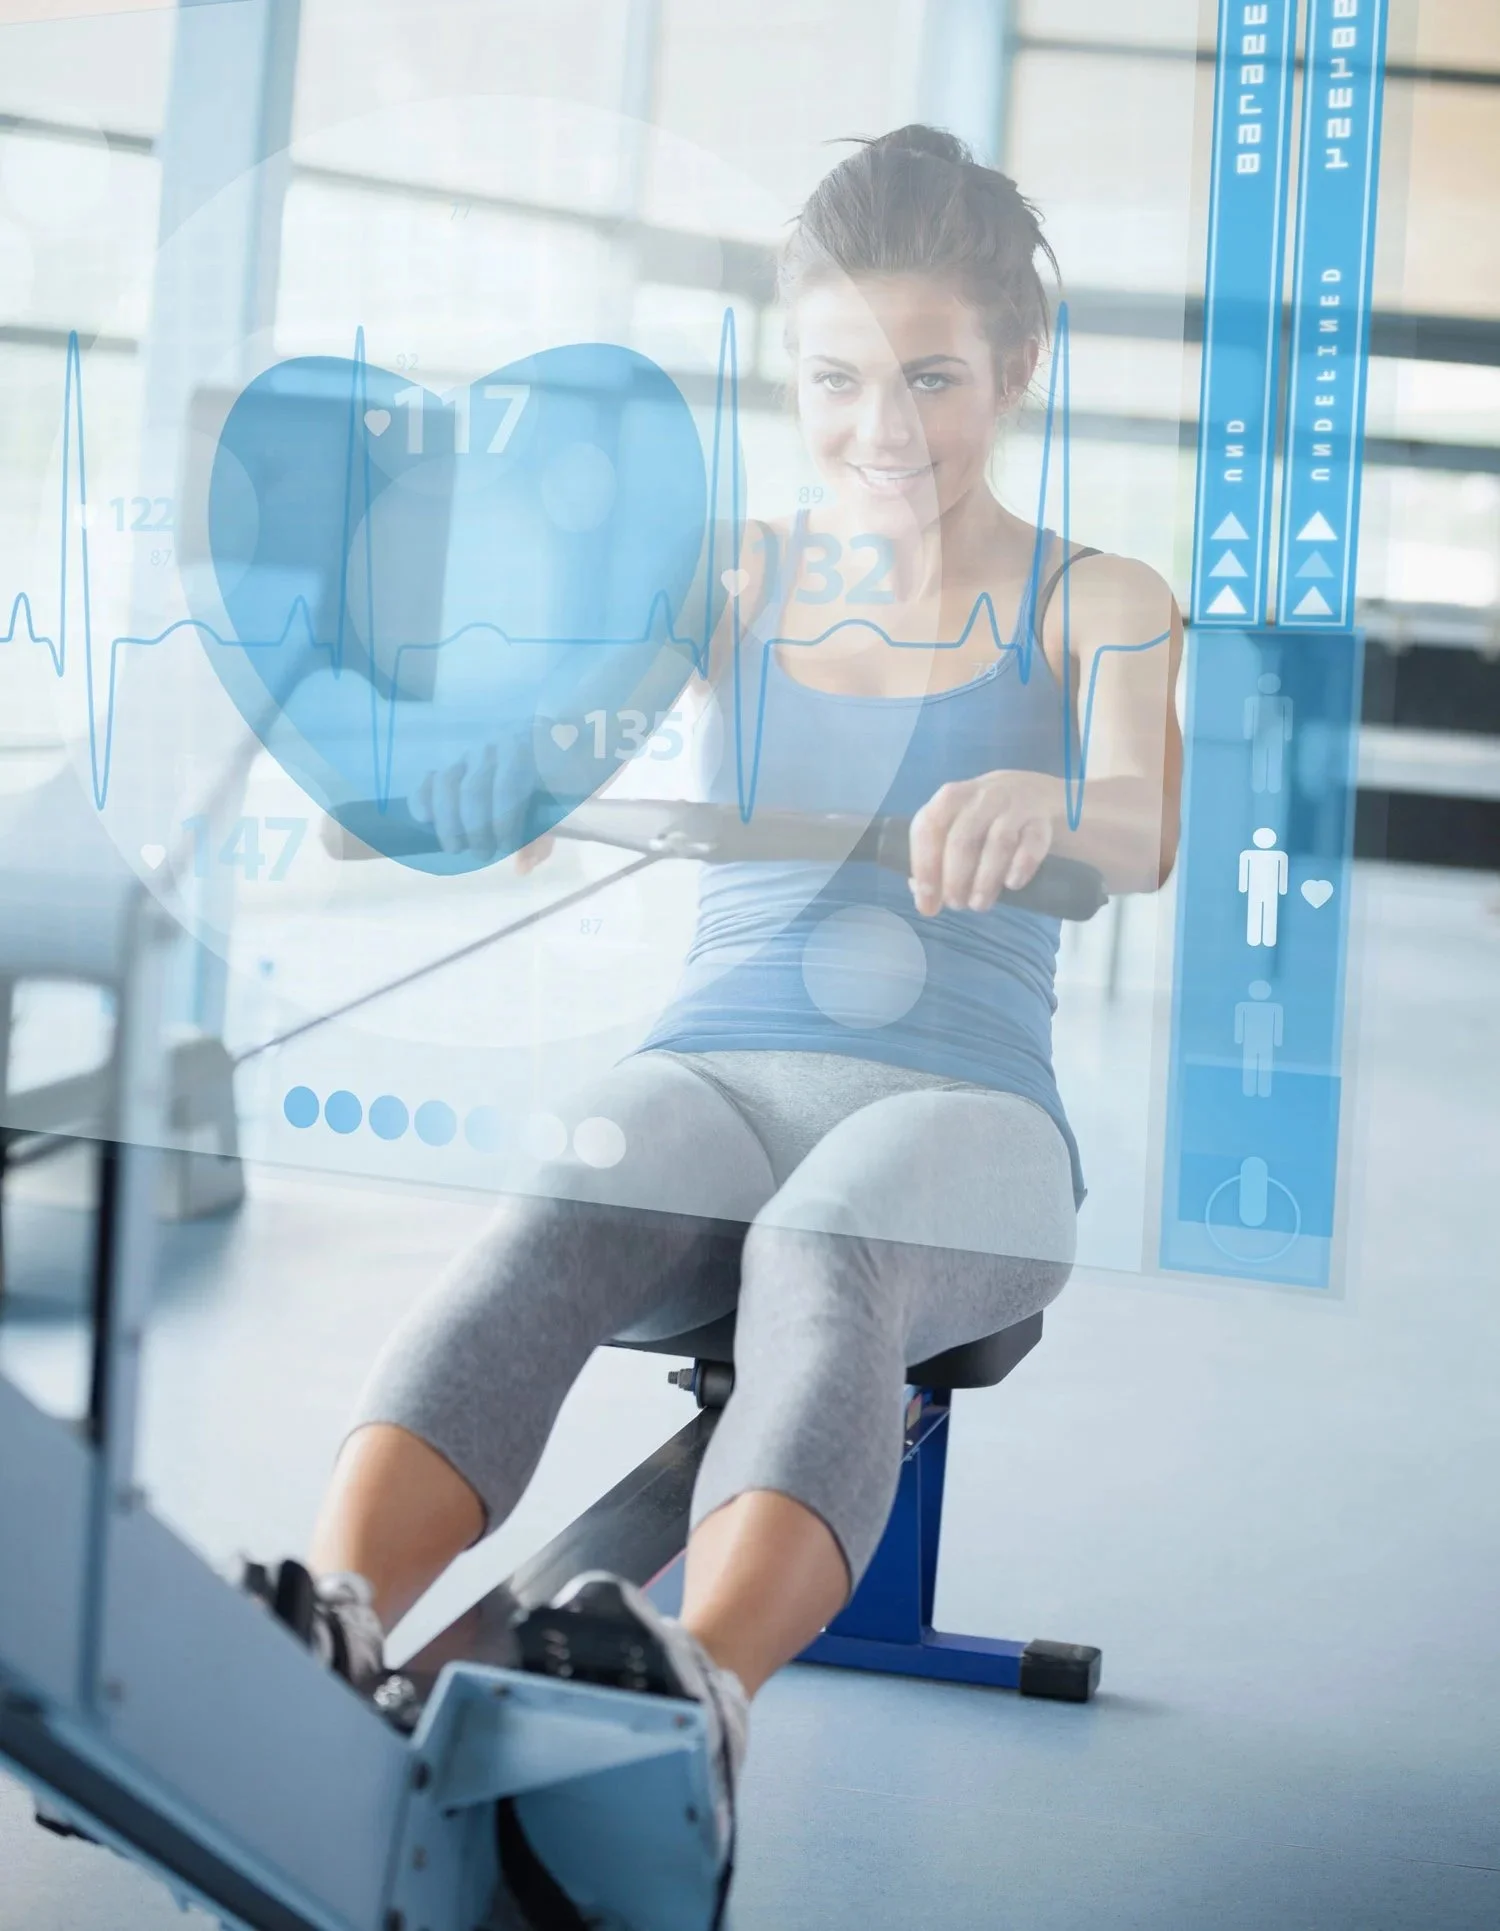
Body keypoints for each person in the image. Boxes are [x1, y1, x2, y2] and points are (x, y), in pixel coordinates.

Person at [270, 125, 1183, 1895]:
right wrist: (448, 790)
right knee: (578, 1178)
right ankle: (332, 1620)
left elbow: (1142, 825)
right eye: (839, 380)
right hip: (714, 1073)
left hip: (967, 1121)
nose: (886, 429)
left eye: (933, 375)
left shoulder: (1101, 602)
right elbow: (553, 739)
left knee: (830, 1245)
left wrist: (1051, 810)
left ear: (1019, 364)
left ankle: (692, 1699)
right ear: (790, 375)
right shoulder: (736, 574)